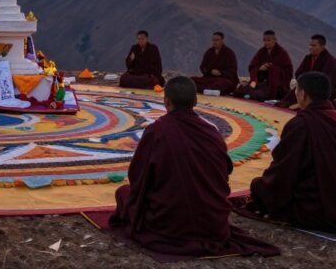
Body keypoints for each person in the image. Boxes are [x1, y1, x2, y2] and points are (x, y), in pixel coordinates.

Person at [109, 77, 278, 258]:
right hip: (211, 223)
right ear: (195, 101)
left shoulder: (156, 132)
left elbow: (138, 177)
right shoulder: (211, 132)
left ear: (166, 101)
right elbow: (224, 170)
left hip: (167, 224)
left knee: (124, 193)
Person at [246, 72, 336, 232]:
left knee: (258, 187)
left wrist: (262, 187)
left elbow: (284, 171)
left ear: (302, 94)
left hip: (320, 207)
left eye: (297, 90)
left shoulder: (301, 124)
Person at [277, 34, 336, 109]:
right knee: (284, 103)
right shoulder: (308, 58)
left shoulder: (331, 62)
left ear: (322, 46)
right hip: (305, 89)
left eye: (313, 45)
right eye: (310, 45)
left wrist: (310, 86)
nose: (310, 48)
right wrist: (305, 83)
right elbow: (299, 73)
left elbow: (328, 83)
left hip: (320, 95)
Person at [234, 30, 293, 102]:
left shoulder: (282, 53)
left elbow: (288, 71)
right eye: (264, 40)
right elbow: (252, 66)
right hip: (261, 82)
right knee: (242, 91)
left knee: (260, 94)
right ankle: (249, 95)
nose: (266, 43)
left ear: (275, 40)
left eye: (268, 40)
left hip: (275, 85)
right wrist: (260, 69)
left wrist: (270, 69)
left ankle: (250, 95)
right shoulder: (261, 52)